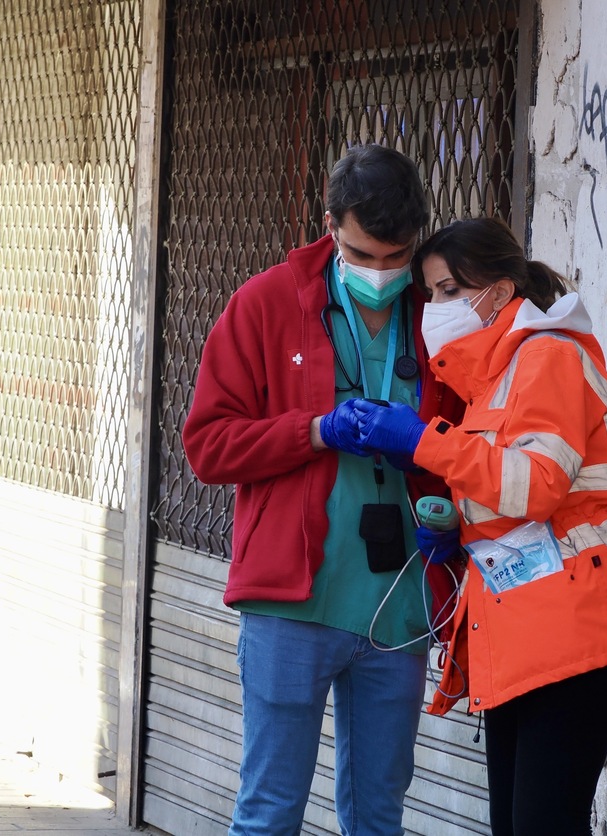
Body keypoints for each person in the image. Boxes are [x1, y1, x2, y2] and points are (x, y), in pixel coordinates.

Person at [182, 143, 465, 835]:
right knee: (269, 812)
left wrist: (453, 514)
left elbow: (471, 440)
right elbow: (207, 446)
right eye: (363, 255)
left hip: (398, 608)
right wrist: (314, 432)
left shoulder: (438, 310)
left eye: (395, 257)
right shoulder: (265, 303)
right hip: (291, 606)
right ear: (330, 224)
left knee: (378, 817)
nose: (380, 272)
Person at [354, 217, 607, 836]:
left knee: (542, 825)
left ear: (495, 290)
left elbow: (538, 484)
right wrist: (459, 534)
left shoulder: (545, 354)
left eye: (446, 290)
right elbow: (507, 493)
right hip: (532, 626)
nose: (433, 307)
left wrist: (423, 442)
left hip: (577, 626)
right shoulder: (492, 379)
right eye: (431, 293)